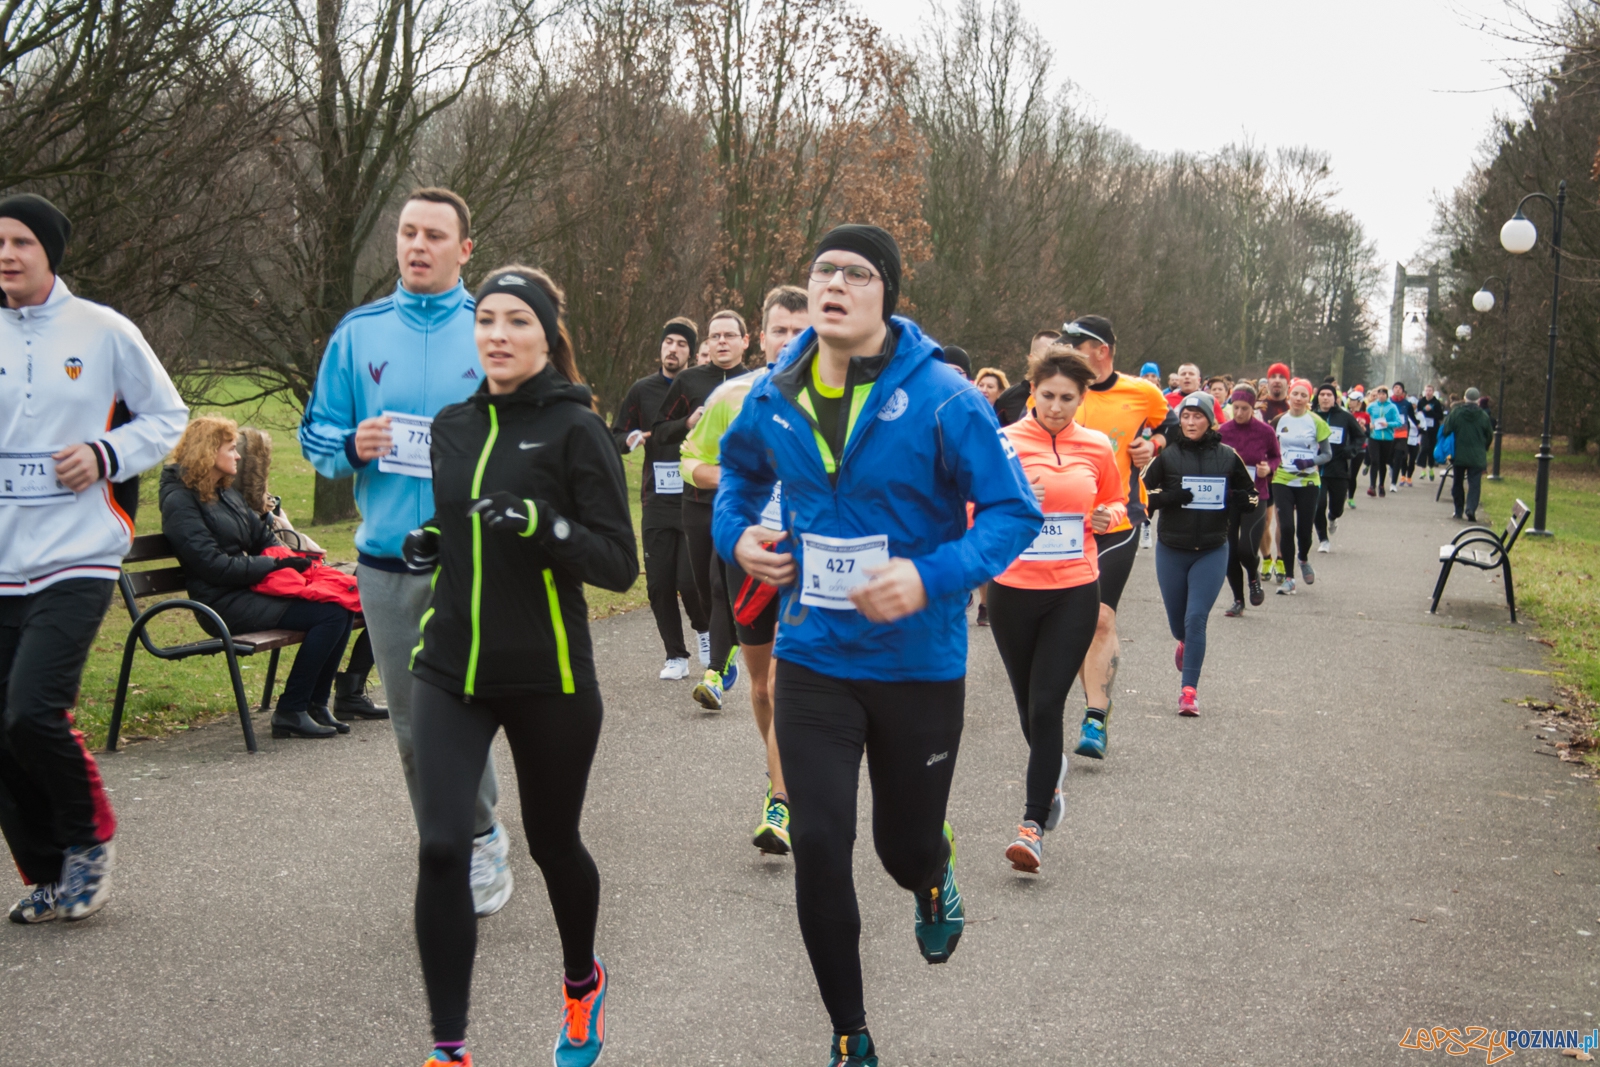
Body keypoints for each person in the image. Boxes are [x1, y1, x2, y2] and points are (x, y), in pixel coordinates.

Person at [716, 224, 1040, 1067]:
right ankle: (849, 1030)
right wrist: (739, 538)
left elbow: (1014, 514)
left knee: (899, 848)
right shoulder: (772, 394)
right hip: (815, 657)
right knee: (821, 847)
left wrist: (931, 577)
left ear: (886, 294)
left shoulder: (944, 397)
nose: (834, 283)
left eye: (856, 273)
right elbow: (739, 477)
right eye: (822, 270)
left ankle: (933, 872)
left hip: (917, 664)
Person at [403, 266, 637, 1067]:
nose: (498, 335)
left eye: (517, 322)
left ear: (546, 337)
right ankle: (449, 1047)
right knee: (441, 846)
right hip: (450, 669)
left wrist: (542, 523)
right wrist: (438, 541)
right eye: (487, 320)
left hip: (551, 677)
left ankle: (581, 984)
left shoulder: (578, 431)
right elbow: (458, 520)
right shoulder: (452, 425)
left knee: (552, 840)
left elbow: (616, 562)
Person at [299, 187, 514, 916]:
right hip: (388, 559)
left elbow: (534, 429)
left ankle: (478, 834)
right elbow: (315, 437)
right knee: (412, 719)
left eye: (434, 235)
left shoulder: (494, 327)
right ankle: (452, 836)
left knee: (465, 703)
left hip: (475, 560)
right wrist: (351, 445)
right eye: (407, 233)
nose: (417, 246)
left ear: (465, 249)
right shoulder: (358, 334)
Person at [0, 193, 187, 925]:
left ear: (50, 252)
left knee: (33, 708)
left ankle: (89, 837)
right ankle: (46, 870)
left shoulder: (103, 331)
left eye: (20, 241)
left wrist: (106, 453)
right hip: (3, 557)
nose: (6, 254)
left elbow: (168, 418)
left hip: (79, 552)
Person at [678, 284, 809, 855]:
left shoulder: (843, 397)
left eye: (799, 331)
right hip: (752, 557)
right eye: (779, 330)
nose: (790, 341)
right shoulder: (736, 395)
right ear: (762, 336)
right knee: (760, 686)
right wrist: (738, 483)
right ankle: (777, 770)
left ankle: (781, 799)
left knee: (784, 680)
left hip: (814, 564)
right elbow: (693, 462)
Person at [986, 348, 1125, 873]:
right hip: (1012, 589)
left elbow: (1115, 503)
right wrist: (1017, 499)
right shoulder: (1003, 444)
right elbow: (972, 508)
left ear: (1082, 398)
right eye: (1048, 396)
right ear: (1031, 390)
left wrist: (1111, 514)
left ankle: (1032, 826)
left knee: (1047, 706)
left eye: (1068, 398)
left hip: (1073, 589)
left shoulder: (1095, 446)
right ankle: (1052, 773)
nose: (1057, 408)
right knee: (1027, 706)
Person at [160, 417, 358, 739]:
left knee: (341, 602)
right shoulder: (180, 501)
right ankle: (292, 709)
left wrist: (285, 559)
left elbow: (262, 536)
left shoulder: (225, 493)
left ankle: (316, 704)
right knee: (331, 613)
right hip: (221, 604)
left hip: (249, 589)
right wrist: (275, 567)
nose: (237, 455)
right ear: (209, 453)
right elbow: (213, 566)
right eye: (230, 449)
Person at [1057, 316, 1169, 759]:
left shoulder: (1143, 392)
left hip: (1119, 518)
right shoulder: (1057, 391)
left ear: (1101, 349)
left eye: (1076, 343)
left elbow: (1172, 428)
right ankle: (1046, 708)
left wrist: (1153, 444)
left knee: (1101, 616)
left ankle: (1095, 719)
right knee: (1066, 620)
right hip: (1064, 525)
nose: (1068, 348)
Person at [233, 426, 387, 720]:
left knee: (378, 593)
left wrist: (273, 519)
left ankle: (344, 693)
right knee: (339, 608)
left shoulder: (245, 504)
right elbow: (228, 562)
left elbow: (279, 546)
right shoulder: (219, 504)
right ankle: (303, 704)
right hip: (253, 591)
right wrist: (279, 551)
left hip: (285, 574)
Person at [654, 309, 756, 710]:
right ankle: (725, 649)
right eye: (715, 336)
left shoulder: (758, 383)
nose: (722, 342)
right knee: (700, 586)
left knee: (721, 584)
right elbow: (659, 431)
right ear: (707, 343)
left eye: (730, 335)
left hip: (742, 503)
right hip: (696, 499)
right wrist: (687, 421)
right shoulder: (689, 381)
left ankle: (717, 666)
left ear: (746, 341)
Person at [1141, 392, 1257, 715]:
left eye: (1198, 416)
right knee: (1180, 625)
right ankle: (1183, 642)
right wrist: (1170, 497)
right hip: (1172, 550)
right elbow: (1140, 497)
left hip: (1212, 549)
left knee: (1196, 620)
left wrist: (1239, 500)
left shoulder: (1228, 456)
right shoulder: (1167, 456)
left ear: (1210, 419)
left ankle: (1188, 692)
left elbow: (1252, 496)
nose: (1191, 422)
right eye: (1186, 416)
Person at [611, 316, 709, 679]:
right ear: (660, 347)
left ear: (692, 352)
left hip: (693, 497)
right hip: (656, 500)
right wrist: (628, 439)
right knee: (658, 583)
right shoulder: (642, 390)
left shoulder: (698, 387)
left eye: (682, 344)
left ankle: (704, 630)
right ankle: (675, 656)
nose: (673, 349)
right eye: (669, 342)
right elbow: (615, 435)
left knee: (689, 580)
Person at [1217, 385, 1279, 617]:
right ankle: (1238, 600)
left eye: (1245, 408)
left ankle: (1253, 578)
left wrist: (1268, 468)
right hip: (1229, 496)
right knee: (1230, 552)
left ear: (1253, 408)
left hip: (1256, 495)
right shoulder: (1224, 431)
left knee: (1246, 549)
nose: (1240, 413)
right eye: (1236, 408)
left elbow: (1275, 456)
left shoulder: (1265, 431)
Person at [1269, 380, 1332, 595]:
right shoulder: (1279, 420)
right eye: (1295, 393)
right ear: (1289, 396)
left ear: (1309, 399)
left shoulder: (1316, 422)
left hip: (1308, 481)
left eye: (1303, 395)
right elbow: (1271, 449)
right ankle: (1289, 578)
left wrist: (1310, 461)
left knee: (1304, 532)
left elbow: (1327, 454)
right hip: (1282, 479)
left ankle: (1303, 558)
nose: (1298, 398)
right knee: (1286, 527)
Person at [1312, 383, 1364, 552]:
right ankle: (1323, 540)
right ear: (1317, 397)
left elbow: (1359, 436)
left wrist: (1351, 450)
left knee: (1337, 507)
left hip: (1339, 468)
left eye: (1329, 395)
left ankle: (1333, 517)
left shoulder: (1345, 417)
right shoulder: (1311, 416)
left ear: (1335, 398)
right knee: (1318, 504)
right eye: (1322, 394)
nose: (1325, 397)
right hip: (1316, 469)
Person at [1441, 387, 1496, 522]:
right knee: (1474, 484)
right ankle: (1471, 509)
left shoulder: (1456, 413)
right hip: (1477, 455)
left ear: (1465, 398)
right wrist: (1484, 448)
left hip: (1459, 454)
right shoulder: (1483, 416)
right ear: (1478, 400)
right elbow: (1489, 435)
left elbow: (1446, 429)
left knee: (1457, 482)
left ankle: (1458, 510)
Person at [993, 329, 1061, 426]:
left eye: (1057, 356)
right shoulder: (1009, 398)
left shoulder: (1073, 398)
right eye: (1045, 356)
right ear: (1031, 358)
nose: (1052, 363)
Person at [1364, 386, 1400, 498]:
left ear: (1386, 395)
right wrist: (1368, 424)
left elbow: (1399, 422)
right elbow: (1366, 417)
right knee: (1374, 461)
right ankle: (1372, 486)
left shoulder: (1392, 407)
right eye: (1379, 394)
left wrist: (1388, 424)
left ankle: (1381, 485)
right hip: (1374, 437)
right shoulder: (1372, 406)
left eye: (1383, 394)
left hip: (1387, 439)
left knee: (1382, 463)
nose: (1381, 396)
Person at [1390, 382, 1418, 488]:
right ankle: (1392, 467)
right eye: (1395, 387)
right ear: (1393, 390)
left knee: (1399, 457)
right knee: (1389, 457)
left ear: (1403, 391)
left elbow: (1411, 417)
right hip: (1390, 433)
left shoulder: (1407, 404)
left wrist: (1418, 425)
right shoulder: (1388, 402)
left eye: (1400, 388)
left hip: (1402, 434)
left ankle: (1394, 482)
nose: (1398, 389)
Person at [1416, 384, 1447, 482]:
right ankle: (1423, 469)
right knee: (1424, 447)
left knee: (1431, 449)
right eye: (1426, 390)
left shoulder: (1436, 403)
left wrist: (1431, 412)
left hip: (1434, 429)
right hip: (1424, 429)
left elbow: (1440, 417)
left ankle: (1431, 468)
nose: (1428, 392)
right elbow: (1418, 414)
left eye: (1430, 391)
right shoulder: (1421, 402)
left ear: (1433, 392)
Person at [1346, 392, 1367, 506]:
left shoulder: (1365, 415)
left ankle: (1351, 497)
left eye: (1353, 400)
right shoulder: (1345, 414)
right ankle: (1343, 492)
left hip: (1360, 449)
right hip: (1346, 446)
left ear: (1359, 402)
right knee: (1345, 472)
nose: (1350, 402)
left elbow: (1369, 432)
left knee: (1353, 474)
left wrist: (1364, 428)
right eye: (1349, 399)